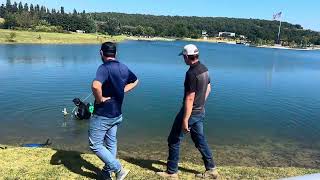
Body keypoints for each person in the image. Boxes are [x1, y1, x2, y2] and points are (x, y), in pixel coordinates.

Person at [157, 44, 218, 179]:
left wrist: (185, 120)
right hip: (200, 111)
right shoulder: (204, 69)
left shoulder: (191, 73)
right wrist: (201, 104)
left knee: (174, 139)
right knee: (199, 140)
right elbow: (209, 88)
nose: (183, 59)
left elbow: (190, 98)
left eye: (183, 57)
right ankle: (212, 169)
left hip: (191, 113)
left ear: (186, 56)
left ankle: (172, 172)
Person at [89, 42, 139, 180]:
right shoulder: (123, 67)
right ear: (116, 54)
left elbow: (95, 86)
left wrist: (99, 100)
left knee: (95, 145)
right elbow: (135, 81)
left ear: (101, 53)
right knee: (111, 142)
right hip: (117, 113)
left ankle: (118, 169)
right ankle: (107, 173)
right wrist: (121, 91)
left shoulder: (104, 68)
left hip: (103, 114)